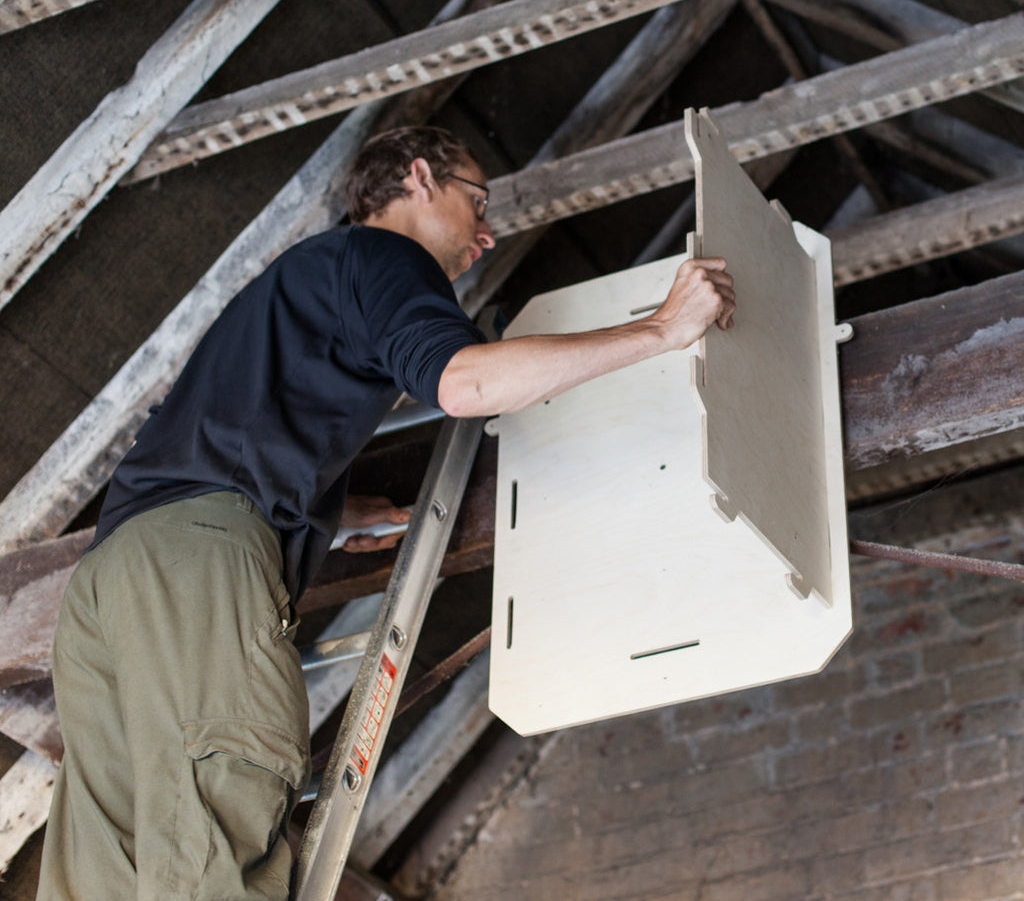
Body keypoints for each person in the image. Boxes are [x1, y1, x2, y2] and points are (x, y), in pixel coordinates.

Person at [38, 126, 734, 900]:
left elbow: (241, 433)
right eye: (478, 199)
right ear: (418, 179)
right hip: (195, 565)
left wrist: (328, 511)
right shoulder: (383, 258)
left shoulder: (308, 282)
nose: (486, 229)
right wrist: (661, 329)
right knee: (214, 823)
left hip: (114, 578)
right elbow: (464, 385)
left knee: (107, 863)